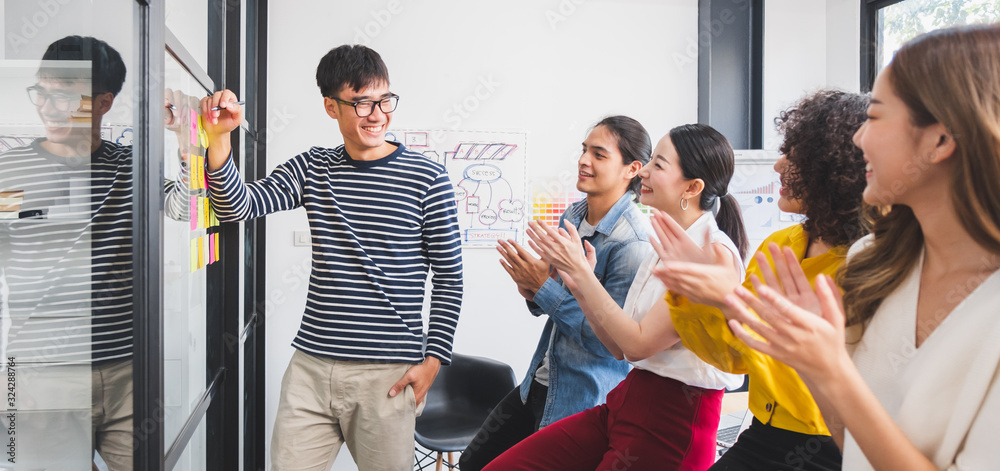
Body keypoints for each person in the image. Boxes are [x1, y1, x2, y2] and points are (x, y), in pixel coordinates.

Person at [723, 24, 1000, 470]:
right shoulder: (873, 262)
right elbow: (850, 444)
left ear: (940, 140)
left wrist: (830, 368)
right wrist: (814, 362)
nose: (857, 139)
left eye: (874, 117)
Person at [200, 44, 464, 471]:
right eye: (361, 103)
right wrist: (219, 138)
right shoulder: (313, 168)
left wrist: (434, 361)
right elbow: (237, 206)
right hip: (312, 367)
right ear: (331, 107)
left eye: (384, 100)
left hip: (389, 373)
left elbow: (450, 278)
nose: (377, 114)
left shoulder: (427, 177)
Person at [485, 124, 748, 470]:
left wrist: (580, 275)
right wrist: (578, 286)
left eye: (659, 165)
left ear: (693, 187)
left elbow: (638, 345)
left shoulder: (708, 254)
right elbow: (619, 347)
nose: (646, 171)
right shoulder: (662, 239)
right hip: (626, 401)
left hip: (671, 420)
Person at [653, 90, 869, 470]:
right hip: (764, 434)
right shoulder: (781, 244)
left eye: (795, 157)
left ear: (834, 169)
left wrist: (730, 302)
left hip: (829, 447)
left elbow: (821, 390)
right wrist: (696, 295)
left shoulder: (867, 265)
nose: (779, 166)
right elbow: (735, 357)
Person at [0, 35, 187, 470]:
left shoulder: (131, 168)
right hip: (37, 374)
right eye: (41, 93)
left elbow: (185, 206)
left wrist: (187, 142)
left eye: (64, 96)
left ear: (103, 103)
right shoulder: (11, 172)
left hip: (128, 373)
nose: (48, 108)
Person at [459, 116, 652, 470]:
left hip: (582, 396)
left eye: (599, 154)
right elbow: (552, 304)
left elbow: (608, 343)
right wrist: (531, 289)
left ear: (632, 169)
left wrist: (544, 289)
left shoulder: (633, 243)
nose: (583, 160)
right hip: (539, 380)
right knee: (474, 462)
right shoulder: (574, 217)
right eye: (583, 150)